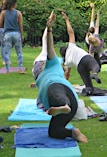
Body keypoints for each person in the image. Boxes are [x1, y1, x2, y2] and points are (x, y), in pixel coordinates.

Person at [35, 11, 88, 143]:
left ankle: (64, 105)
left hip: (60, 92)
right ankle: (73, 132)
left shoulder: (52, 65)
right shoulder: (41, 79)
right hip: (72, 104)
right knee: (54, 131)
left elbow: (49, 47)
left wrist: (49, 29)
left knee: (56, 91)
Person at [60, 12, 101, 96]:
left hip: (80, 66)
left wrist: (63, 86)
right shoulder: (71, 46)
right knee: (95, 66)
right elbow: (71, 32)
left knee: (89, 86)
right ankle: (94, 74)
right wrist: (67, 20)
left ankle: (89, 90)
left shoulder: (67, 62)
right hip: (85, 58)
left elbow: (67, 75)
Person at [0, 0, 25, 74]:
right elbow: (20, 25)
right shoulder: (18, 13)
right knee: (19, 52)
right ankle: (20, 68)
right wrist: (22, 34)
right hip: (16, 34)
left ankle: (8, 70)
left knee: (7, 52)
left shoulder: (3, 12)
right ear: (14, 4)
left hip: (7, 34)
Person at [86, 3, 104, 68]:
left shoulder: (94, 37)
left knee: (96, 60)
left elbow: (96, 24)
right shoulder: (95, 39)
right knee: (96, 59)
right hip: (96, 48)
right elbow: (96, 24)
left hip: (95, 48)